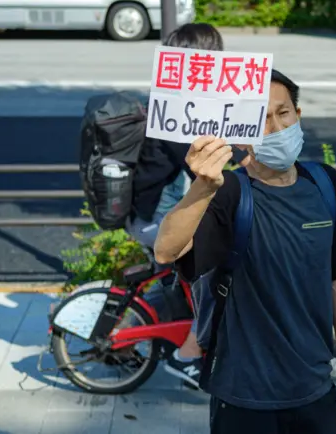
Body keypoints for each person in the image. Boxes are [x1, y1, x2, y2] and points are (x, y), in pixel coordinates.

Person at [154, 69, 336, 433]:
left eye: (283, 114)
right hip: (243, 398)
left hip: (314, 389)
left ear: (299, 116)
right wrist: (202, 186)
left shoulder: (325, 183)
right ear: (241, 135)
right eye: (260, 119)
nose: (276, 127)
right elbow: (165, 251)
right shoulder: (229, 193)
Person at [125, 22, 223, 387]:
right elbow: (200, 167)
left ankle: (134, 325)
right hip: (155, 222)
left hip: (157, 216)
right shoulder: (175, 113)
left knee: (183, 278)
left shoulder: (180, 105)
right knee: (220, 272)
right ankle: (187, 356)